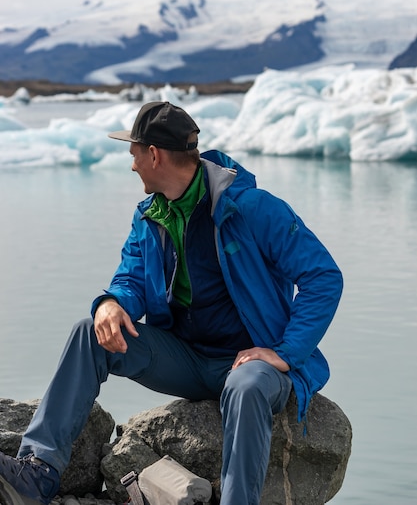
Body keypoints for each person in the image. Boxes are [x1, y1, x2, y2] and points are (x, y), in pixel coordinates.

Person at [0, 101, 343, 505]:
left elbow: (324, 277)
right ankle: (37, 474)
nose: (131, 166)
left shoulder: (253, 208)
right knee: (87, 332)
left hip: (249, 368)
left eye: (133, 154)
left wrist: (284, 353)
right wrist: (111, 303)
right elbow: (131, 279)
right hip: (187, 360)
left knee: (247, 387)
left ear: (154, 155)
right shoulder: (150, 215)